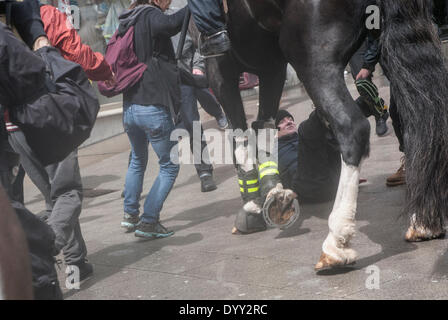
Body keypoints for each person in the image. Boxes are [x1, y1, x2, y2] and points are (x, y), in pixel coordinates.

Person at [5, 2, 118, 286]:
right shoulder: (43, 15)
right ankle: (45, 245)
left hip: (12, 128)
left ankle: (76, 265)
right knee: (68, 194)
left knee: (53, 196)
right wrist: (105, 70)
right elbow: (74, 51)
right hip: (50, 116)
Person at [119, 0, 187, 239]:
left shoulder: (128, 18)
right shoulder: (149, 14)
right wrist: (194, 6)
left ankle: (129, 216)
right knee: (170, 165)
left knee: (137, 159)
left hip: (129, 108)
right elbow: (170, 25)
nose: (168, 3)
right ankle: (149, 221)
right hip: (152, 107)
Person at [172, 31, 228, 192]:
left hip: (185, 77)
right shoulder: (140, 21)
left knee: (193, 124)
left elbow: (197, 46)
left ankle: (204, 172)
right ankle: (133, 181)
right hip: (162, 83)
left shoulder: (177, 14)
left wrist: (197, 67)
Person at [355, 33, 406, 187]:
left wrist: (368, 65)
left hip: (406, 63)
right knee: (398, 114)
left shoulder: (376, 11)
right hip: (404, 65)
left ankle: (415, 163)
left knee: (400, 115)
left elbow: (376, 33)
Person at [275, 110, 341, 203]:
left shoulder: (303, 139)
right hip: (307, 188)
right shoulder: (274, 149)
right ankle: (321, 109)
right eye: (282, 122)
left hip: (332, 183)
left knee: (329, 133)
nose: (289, 122)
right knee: (305, 129)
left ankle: (364, 103)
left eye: (290, 119)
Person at [349, 38, 389, 137]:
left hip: (379, 31)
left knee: (396, 75)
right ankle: (379, 113)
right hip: (355, 38)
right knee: (362, 82)